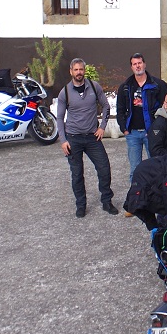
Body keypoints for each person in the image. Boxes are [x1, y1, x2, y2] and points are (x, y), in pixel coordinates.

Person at [56, 58, 117, 217]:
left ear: (84, 70)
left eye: (81, 69)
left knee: (104, 168)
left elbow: (106, 106)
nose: (79, 72)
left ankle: (107, 201)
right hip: (73, 138)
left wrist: (102, 127)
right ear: (71, 71)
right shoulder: (65, 92)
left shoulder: (94, 87)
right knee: (77, 174)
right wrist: (63, 141)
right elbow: (59, 118)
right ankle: (81, 205)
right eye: (75, 70)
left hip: (92, 138)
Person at [115, 52, 167, 178]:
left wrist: (158, 129)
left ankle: (156, 190)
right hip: (132, 134)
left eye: (139, 63)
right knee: (135, 169)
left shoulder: (158, 85)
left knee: (157, 166)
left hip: (152, 132)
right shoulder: (125, 87)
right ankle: (136, 191)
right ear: (131, 67)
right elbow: (120, 109)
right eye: (134, 64)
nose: (137, 66)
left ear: (144, 64)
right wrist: (124, 128)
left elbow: (166, 108)